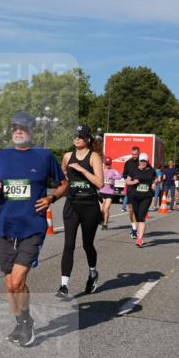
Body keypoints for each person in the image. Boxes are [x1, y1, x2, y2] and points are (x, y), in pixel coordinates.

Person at [0, 111, 68, 347]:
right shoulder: (2, 156)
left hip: (33, 226)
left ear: (32, 130)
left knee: (18, 282)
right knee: (9, 285)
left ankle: (25, 323)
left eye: (23, 127)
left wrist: (51, 199)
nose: (18, 131)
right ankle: (23, 322)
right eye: (14, 127)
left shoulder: (44, 156)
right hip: (5, 227)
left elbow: (63, 184)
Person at [56, 125, 103, 299]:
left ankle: (92, 273)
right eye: (75, 135)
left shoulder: (94, 157)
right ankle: (63, 286)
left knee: (87, 244)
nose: (77, 139)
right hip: (72, 204)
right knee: (68, 244)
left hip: (89, 205)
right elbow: (62, 174)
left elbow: (100, 183)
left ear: (88, 139)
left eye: (81, 136)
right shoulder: (67, 156)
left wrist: (82, 170)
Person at [125, 153, 156, 247]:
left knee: (142, 216)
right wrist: (133, 182)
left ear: (147, 162)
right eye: (141, 161)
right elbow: (127, 181)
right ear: (139, 161)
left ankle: (139, 239)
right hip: (135, 196)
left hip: (146, 197)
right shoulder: (134, 170)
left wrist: (154, 184)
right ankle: (137, 233)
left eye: (144, 161)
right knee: (137, 216)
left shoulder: (151, 171)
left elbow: (155, 179)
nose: (143, 163)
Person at [120, 146, 140, 230]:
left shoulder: (142, 162)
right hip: (130, 188)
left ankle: (135, 229)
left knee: (137, 209)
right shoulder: (128, 163)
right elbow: (124, 174)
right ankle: (133, 225)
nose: (134, 156)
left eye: (135, 154)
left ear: (139, 153)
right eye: (132, 154)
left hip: (139, 189)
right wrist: (129, 181)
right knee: (131, 209)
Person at [98, 157, 120, 230]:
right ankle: (102, 219)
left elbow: (120, 176)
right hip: (102, 191)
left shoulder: (113, 170)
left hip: (109, 192)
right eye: (106, 164)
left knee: (106, 209)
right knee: (101, 209)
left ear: (110, 164)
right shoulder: (101, 171)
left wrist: (113, 177)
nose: (107, 165)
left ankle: (105, 224)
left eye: (108, 164)